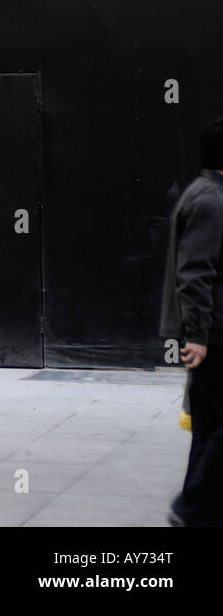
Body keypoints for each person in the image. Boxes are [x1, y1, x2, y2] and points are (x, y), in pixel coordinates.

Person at [161, 117, 223, 527]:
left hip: (209, 333)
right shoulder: (212, 201)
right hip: (215, 336)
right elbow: (195, 272)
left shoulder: (204, 193)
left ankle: (201, 511)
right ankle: (192, 506)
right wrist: (197, 336)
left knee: (208, 424)